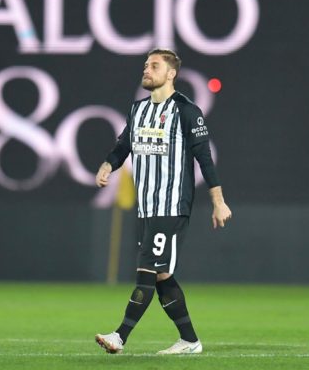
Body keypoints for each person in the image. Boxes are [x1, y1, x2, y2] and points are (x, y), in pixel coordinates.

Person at [94, 48, 232, 355]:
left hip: (171, 206)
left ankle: (120, 336)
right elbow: (123, 145)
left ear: (171, 74)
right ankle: (190, 340)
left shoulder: (187, 110)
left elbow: (204, 158)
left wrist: (218, 201)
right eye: (146, 64)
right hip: (146, 207)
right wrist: (107, 165)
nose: (146, 69)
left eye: (154, 65)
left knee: (146, 271)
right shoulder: (138, 109)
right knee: (161, 276)